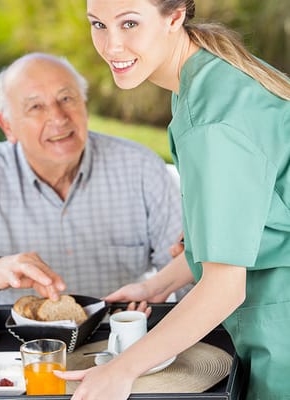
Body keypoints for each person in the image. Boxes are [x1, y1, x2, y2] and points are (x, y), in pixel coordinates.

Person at [56, 1, 290, 399]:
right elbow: (254, 222)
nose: (112, 45)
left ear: (175, 17)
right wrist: (157, 285)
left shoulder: (211, 121)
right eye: (99, 24)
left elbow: (224, 288)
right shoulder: (210, 76)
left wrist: (121, 370)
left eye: (129, 23)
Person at [0, 52, 183, 396]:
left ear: (84, 105)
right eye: (35, 107)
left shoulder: (141, 168)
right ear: (8, 125)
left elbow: (187, 266)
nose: (58, 118)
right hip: (20, 365)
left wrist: (160, 300)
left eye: (67, 99)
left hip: (119, 356)